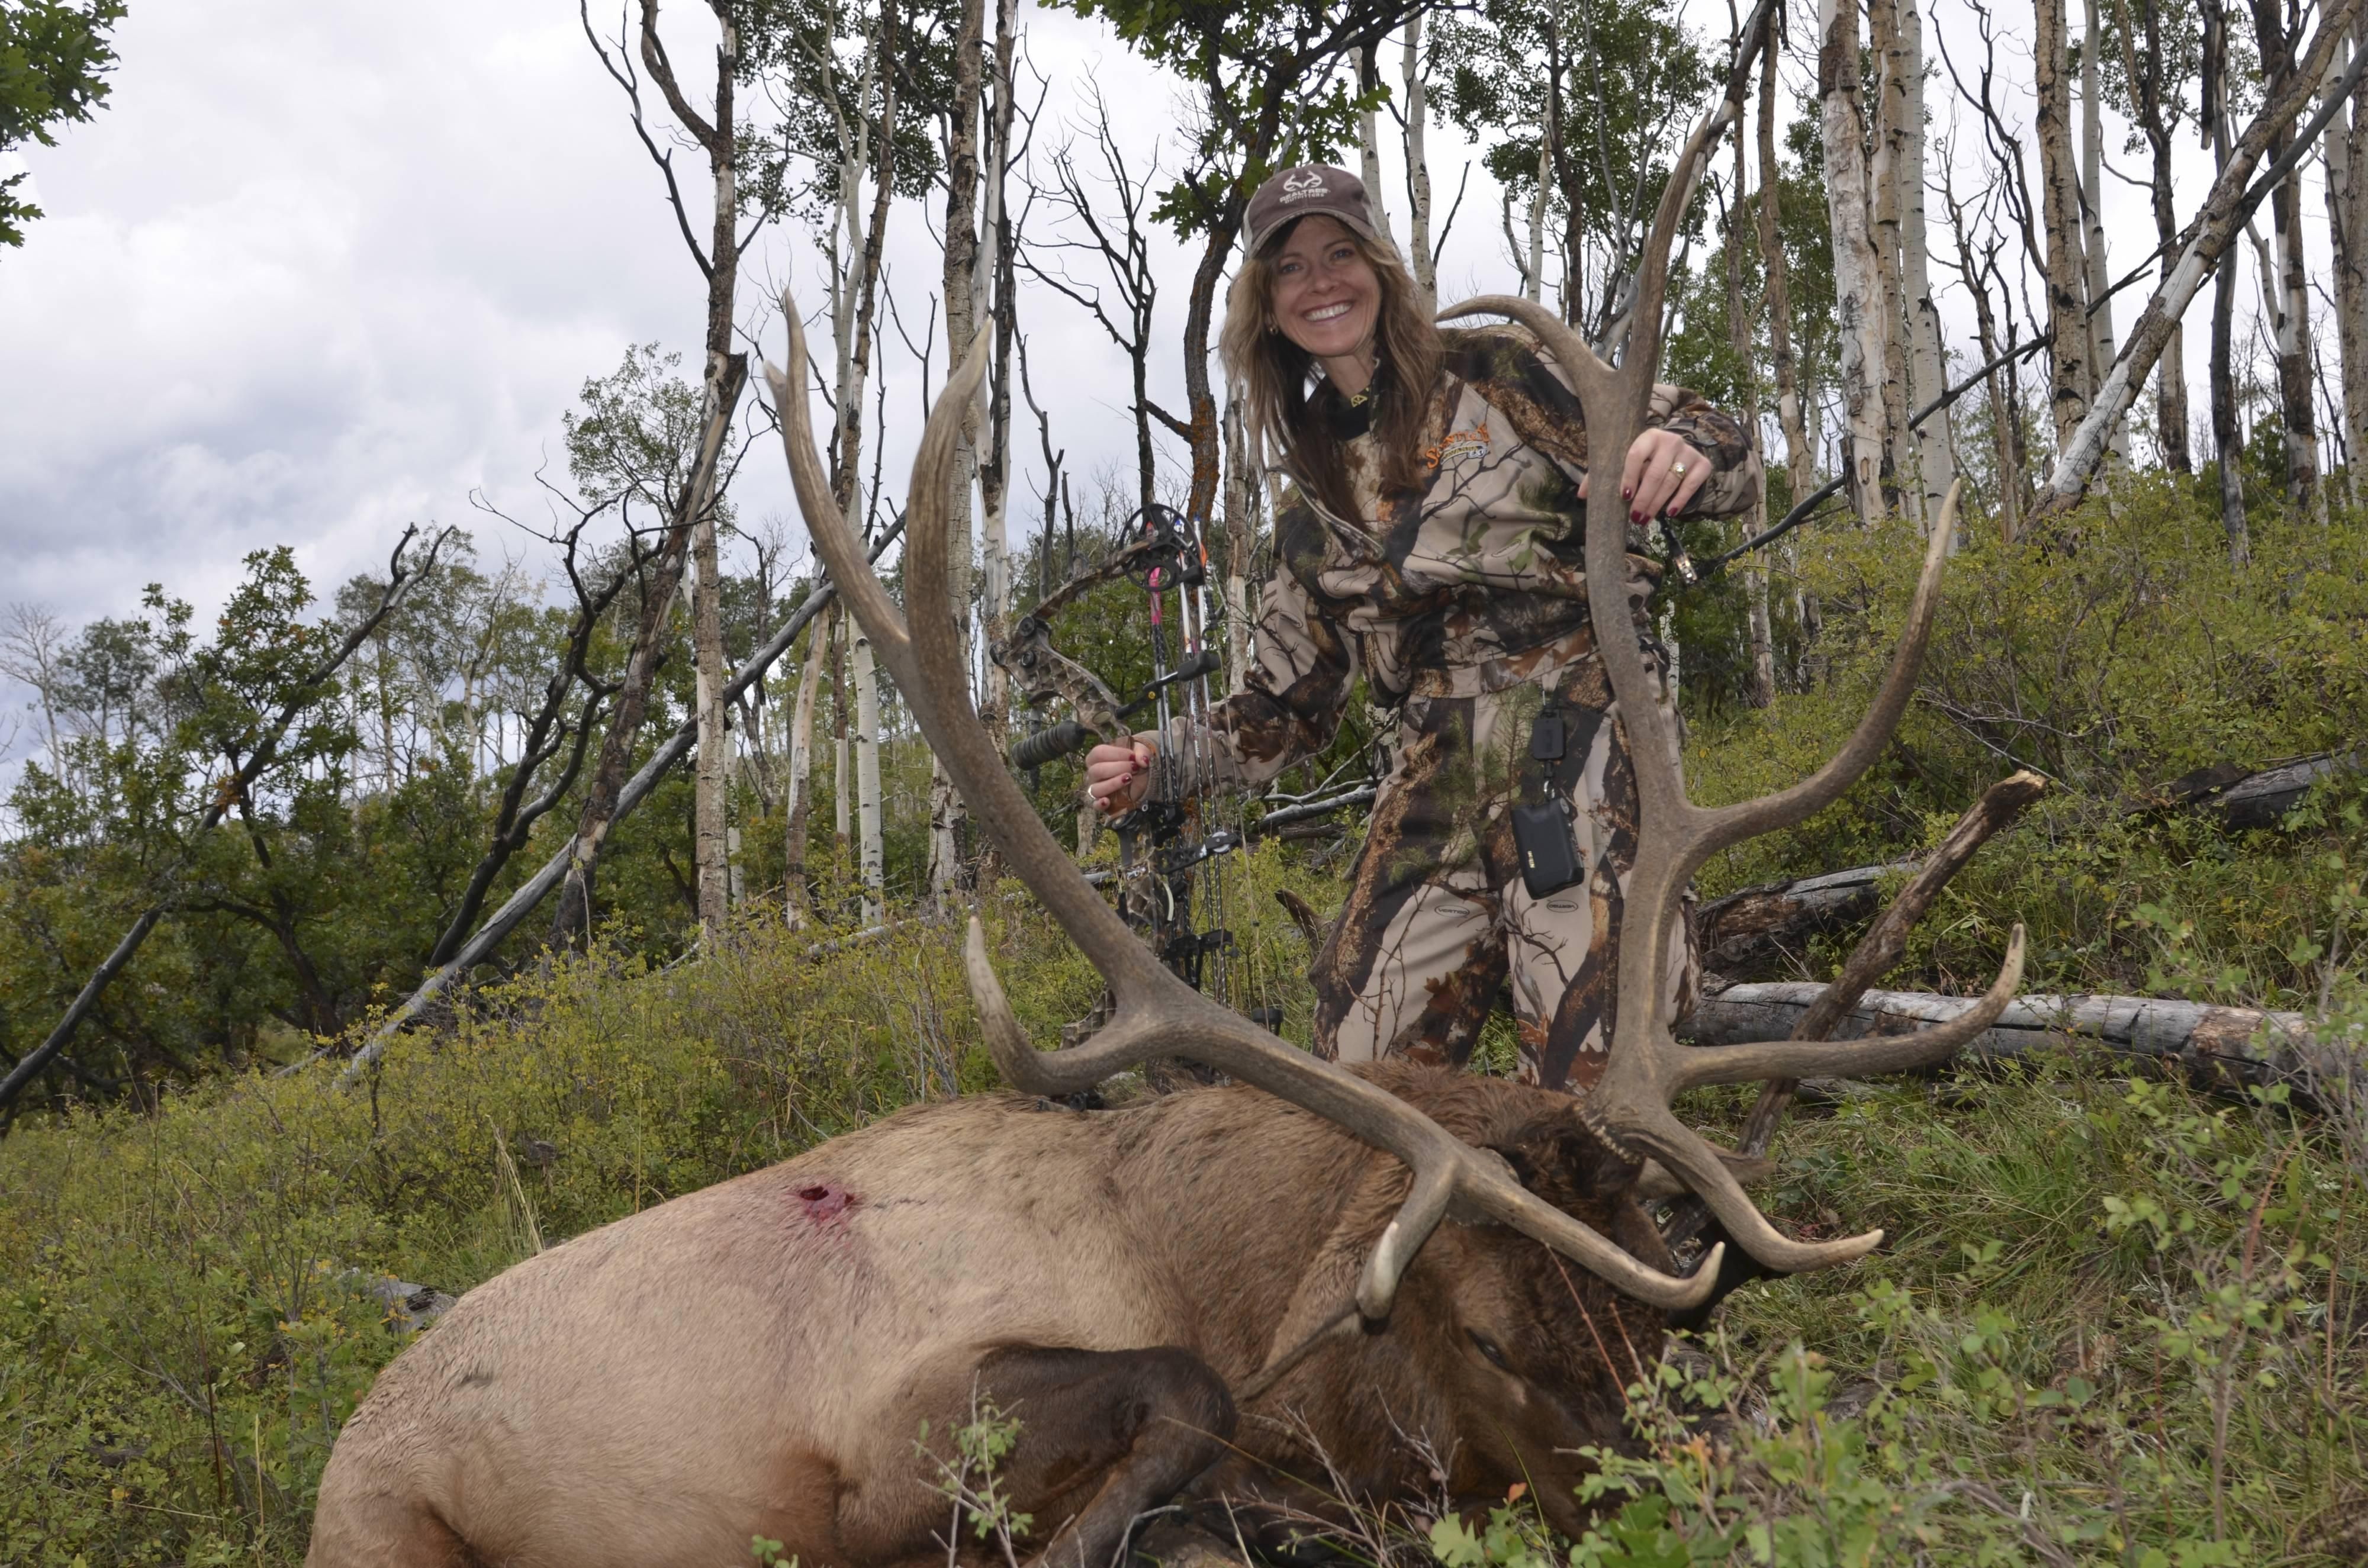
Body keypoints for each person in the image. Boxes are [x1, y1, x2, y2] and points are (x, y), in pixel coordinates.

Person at [1083, 165, 1761, 1094]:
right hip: (1436, 769)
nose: (1320, 282)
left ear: (1381, 269)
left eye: (1340, 254)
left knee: (1596, 1080)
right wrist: (1161, 761)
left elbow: (1720, 441)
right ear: (1267, 308)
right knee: (1354, 1086)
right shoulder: (1309, 495)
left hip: (1585, 727)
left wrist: (1687, 452)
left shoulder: (1499, 373)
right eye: (1290, 268)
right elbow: (1279, 712)